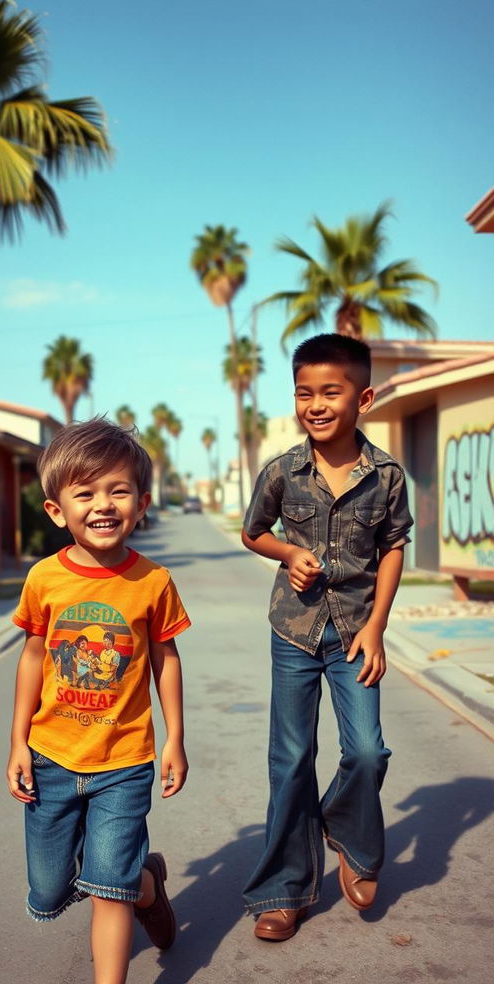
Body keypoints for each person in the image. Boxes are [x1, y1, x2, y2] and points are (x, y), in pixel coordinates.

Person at [241, 333, 413, 942]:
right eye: (303, 393)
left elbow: (394, 547)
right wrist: (288, 551)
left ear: (362, 398)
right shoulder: (282, 471)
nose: (314, 404)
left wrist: (378, 627)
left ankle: (346, 829)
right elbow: (253, 531)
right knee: (290, 761)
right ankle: (283, 891)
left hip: (355, 634)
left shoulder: (387, 475)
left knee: (367, 750)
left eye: (330, 392)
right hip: (293, 631)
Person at [6, 417, 190, 984]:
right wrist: (17, 741)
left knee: (107, 887)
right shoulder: (44, 579)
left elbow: (166, 659)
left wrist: (175, 739)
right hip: (52, 759)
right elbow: (34, 657)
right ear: (58, 510)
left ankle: (123, 884)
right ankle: (147, 882)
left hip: (125, 762)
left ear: (141, 503)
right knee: (51, 887)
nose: (103, 504)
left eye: (117, 490)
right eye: (85, 493)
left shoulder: (153, 582)